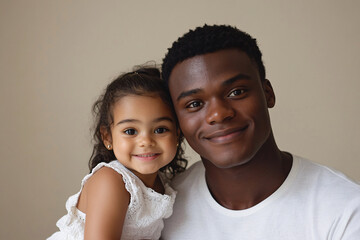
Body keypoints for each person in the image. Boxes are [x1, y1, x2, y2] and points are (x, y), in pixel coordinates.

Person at [160, 24, 360, 239]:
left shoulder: (346, 209)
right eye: (194, 104)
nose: (218, 114)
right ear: (177, 121)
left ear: (268, 94)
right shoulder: (162, 207)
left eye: (236, 92)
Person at [48, 67, 187, 240]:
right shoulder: (112, 180)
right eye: (130, 131)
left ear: (177, 133)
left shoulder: (161, 183)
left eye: (160, 129)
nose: (146, 141)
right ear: (107, 137)